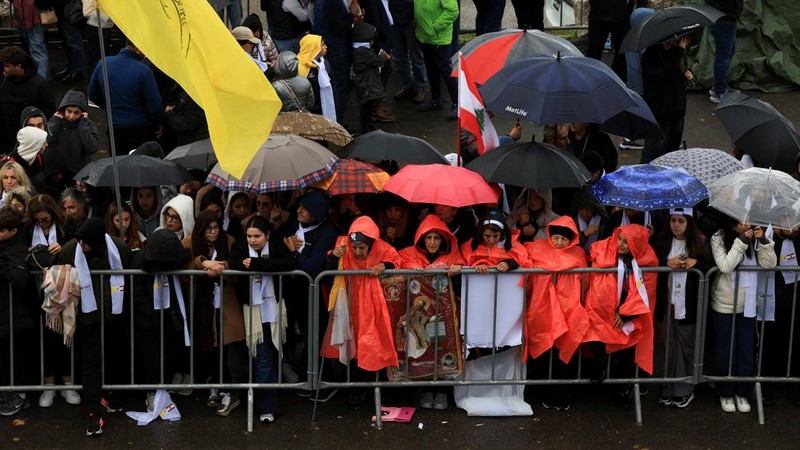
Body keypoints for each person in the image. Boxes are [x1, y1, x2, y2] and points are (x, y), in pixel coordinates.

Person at [58, 218, 133, 436]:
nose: (82, 245)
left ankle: (111, 395)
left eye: (86, 242)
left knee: (114, 355)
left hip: (113, 315)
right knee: (91, 362)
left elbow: (129, 270)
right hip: (86, 317)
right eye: (80, 240)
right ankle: (93, 411)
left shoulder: (119, 248)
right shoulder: (70, 250)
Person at [324, 215, 402, 409]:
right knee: (355, 349)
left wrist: (384, 265)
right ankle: (357, 392)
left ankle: (384, 392)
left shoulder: (383, 248)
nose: (357, 252)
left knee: (378, 345)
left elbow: (397, 262)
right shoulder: (343, 246)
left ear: (371, 244)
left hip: (376, 307)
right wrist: (335, 255)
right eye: (355, 247)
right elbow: (328, 268)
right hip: (351, 306)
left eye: (362, 248)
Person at [583, 224, 657, 408]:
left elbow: (646, 292)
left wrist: (626, 314)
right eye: (620, 240)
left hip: (629, 313)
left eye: (626, 241)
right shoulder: (610, 254)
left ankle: (622, 389)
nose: (621, 244)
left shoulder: (648, 261)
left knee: (628, 349)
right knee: (596, 333)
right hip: (608, 308)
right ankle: (601, 367)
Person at [231, 215, 296, 423]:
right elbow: (236, 266)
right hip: (253, 311)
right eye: (249, 236)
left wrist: (257, 264)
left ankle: (272, 399)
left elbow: (288, 263)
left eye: (257, 236)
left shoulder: (277, 245)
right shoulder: (240, 247)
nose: (252, 240)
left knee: (275, 354)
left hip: (276, 308)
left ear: (267, 235)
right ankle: (267, 407)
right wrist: (263, 265)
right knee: (263, 357)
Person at [709, 216, 776, 413]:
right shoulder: (718, 237)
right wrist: (741, 241)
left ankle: (742, 392)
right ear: (732, 224)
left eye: (750, 222)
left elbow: (769, 264)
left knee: (746, 350)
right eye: (742, 223)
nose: (747, 226)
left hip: (748, 304)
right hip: (725, 304)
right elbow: (725, 265)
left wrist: (763, 242)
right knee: (725, 350)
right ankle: (726, 392)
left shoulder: (755, 238)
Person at [182, 210, 245, 414]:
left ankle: (227, 389)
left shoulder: (229, 241)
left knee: (222, 346)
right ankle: (216, 386)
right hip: (201, 303)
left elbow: (237, 266)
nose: (213, 232)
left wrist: (222, 267)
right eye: (208, 228)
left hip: (225, 301)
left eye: (216, 227)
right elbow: (183, 268)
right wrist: (202, 263)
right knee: (207, 345)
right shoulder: (189, 243)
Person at [398, 213, 463, 409]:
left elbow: (461, 280)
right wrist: (413, 268)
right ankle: (426, 389)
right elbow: (400, 263)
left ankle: (442, 391)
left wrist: (457, 269)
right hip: (421, 318)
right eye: (428, 237)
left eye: (436, 237)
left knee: (443, 347)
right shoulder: (408, 255)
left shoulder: (453, 256)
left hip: (445, 313)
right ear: (421, 238)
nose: (432, 242)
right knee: (424, 348)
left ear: (443, 239)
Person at [525, 216, 589, 412]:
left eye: (564, 239)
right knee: (546, 353)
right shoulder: (538, 250)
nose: (559, 243)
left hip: (568, 310)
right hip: (544, 310)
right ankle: (546, 392)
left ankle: (562, 393)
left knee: (564, 354)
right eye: (556, 238)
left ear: (572, 240)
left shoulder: (578, 255)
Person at [652, 208, 709, 408]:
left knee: (686, 344)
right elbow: (651, 262)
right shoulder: (661, 241)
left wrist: (696, 262)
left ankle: (685, 388)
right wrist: (665, 263)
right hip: (667, 301)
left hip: (688, 302)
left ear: (689, 223)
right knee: (668, 345)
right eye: (673, 220)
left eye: (681, 221)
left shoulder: (698, 242)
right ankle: (667, 387)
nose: (676, 224)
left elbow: (708, 265)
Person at [87, 39, 164, 153]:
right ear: (137, 48)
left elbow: (92, 93)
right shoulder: (144, 71)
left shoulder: (103, 63)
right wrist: (160, 122)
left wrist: (109, 106)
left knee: (119, 166)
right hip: (141, 128)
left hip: (115, 128)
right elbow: (155, 105)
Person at [640, 37, 693, 164]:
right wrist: (678, 51)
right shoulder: (650, 55)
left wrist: (686, 74)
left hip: (676, 110)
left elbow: (676, 73)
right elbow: (664, 74)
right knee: (653, 152)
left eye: (673, 41)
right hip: (659, 112)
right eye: (668, 42)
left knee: (672, 153)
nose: (671, 44)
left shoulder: (676, 52)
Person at [0, 208, 32, 417]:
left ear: (13, 231)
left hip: (15, 315)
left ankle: (19, 395)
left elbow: (20, 279)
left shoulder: (17, 249)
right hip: (6, 314)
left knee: (16, 358)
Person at [0, 46, 56, 152]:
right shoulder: (4, 80)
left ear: (18, 66)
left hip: (30, 143)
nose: (4, 68)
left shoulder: (40, 86)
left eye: (7, 66)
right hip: (8, 141)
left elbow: (48, 116)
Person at [414, 0, 459, 120]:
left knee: (446, 71)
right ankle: (436, 100)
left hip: (439, 38)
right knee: (431, 69)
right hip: (425, 37)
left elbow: (453, 11)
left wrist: (435, 27)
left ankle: (457, 103)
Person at [586, 0, 648, 80]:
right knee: (593, 53)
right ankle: (589, 80)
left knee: (622, 55)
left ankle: (618, 82)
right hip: (599, 14)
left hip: (621, 16)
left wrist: (640, 8)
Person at [351, 22, 395, 133]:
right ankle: (365, 128)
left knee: (367, 106)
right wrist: (383, 56)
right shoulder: (362, 51)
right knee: (366, 107)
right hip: (366, 84)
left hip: (365, 83)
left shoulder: (359, 49)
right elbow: (376, 61)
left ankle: (368, 126)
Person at [46, 90, 99, 174]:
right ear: (64, 110)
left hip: (81, 172)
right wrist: (55, 122)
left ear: (82, 113)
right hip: (60, 172)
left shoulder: (88, 125)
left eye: (76, 113)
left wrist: (83, 125)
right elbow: (48, 142)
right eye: (69, 111)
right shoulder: (56, 123)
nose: (72, 116)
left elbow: (92, 148)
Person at [389, 0, 427, 104]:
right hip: (394, 22)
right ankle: (408, 85)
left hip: (411, 23)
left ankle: (420, 87)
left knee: (416, 57)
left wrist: (417, 18)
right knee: (400, 57)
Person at [706, 0, 742, 103]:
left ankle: (720, 86)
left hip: (721, 16)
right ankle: (719, 92)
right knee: (723, 56)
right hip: (724, 18)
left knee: (728, 52)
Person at [297, 34, 336, 121]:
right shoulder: (300, 68)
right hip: (311, 111)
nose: (326, 47)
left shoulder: (324, 63)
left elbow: (332, 83)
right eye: (322, 45)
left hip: (325, 103)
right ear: (314, 48)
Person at [10, 0, 51, 80]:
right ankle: (43, 77)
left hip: (31, 12)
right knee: (38, 46)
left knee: (37, 47)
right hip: (29, 11)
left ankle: (40, 80)